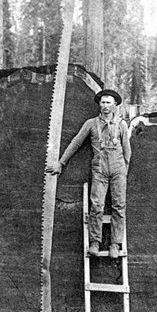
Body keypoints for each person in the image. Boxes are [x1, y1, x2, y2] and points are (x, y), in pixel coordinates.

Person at [46, 89, 131, 259]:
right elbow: (76, 143)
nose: (105, 106)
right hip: (99, 170)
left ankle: (115, 244)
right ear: (99, 104)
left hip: (118, 170)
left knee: (119, 206)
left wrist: (123, 172)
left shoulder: (121, 125)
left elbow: (127, 151)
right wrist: (61, 163)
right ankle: (95, 243)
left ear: (115, 105)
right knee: (97, 206)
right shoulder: (91, 124)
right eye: (102, 102)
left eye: (108, 102)